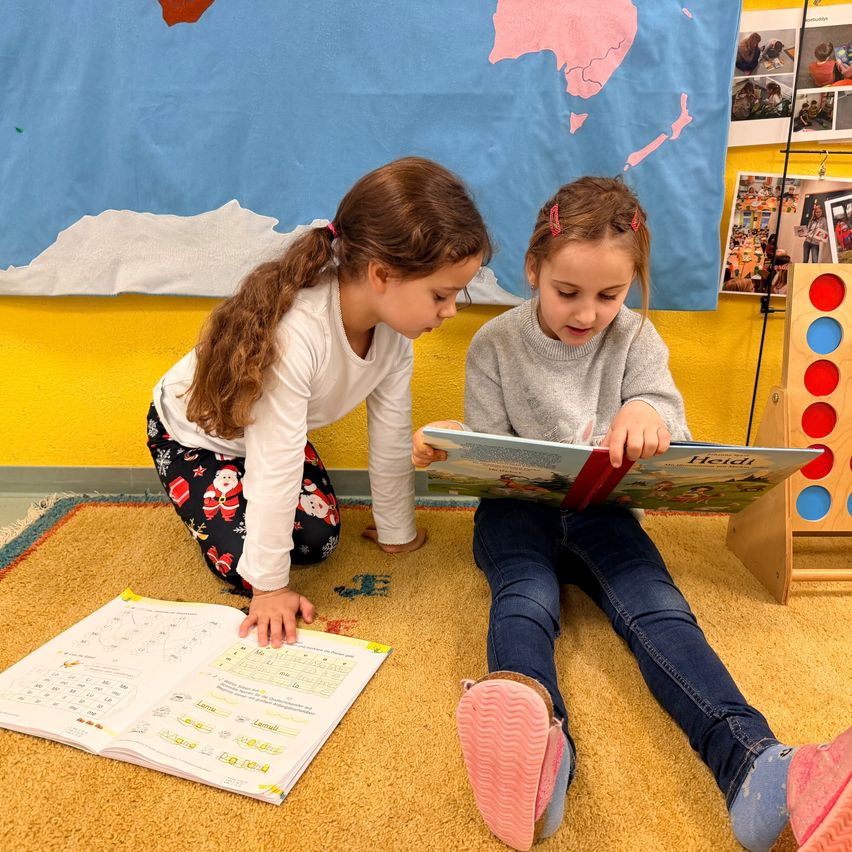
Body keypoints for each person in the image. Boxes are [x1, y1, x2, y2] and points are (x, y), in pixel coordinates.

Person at [412, 177, 851, 851]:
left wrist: (649, 414)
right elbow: (490, 450)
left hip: (605, 509)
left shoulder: (638, 339)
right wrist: (455, 447)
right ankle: (538, 751)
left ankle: (757, 770)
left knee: (660, 609)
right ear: (533, 270)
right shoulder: (495, 345)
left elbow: (664, 413)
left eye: (609, 295)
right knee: (524, 598)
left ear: (631, 286)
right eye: (567, 292)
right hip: (517, 511)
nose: (587, 313)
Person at [147, 156, 491, 648]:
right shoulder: (296, 335)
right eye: (441, 295)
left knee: (318, 538)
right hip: (194, 435)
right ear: (381, 274)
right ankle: (220, 511)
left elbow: (392, 434)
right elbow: (277, 463)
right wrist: (268, 589)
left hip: (265, 438)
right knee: (252, 567)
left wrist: (397, 531)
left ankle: (250, 517)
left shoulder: (394, 337)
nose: (451, 310)